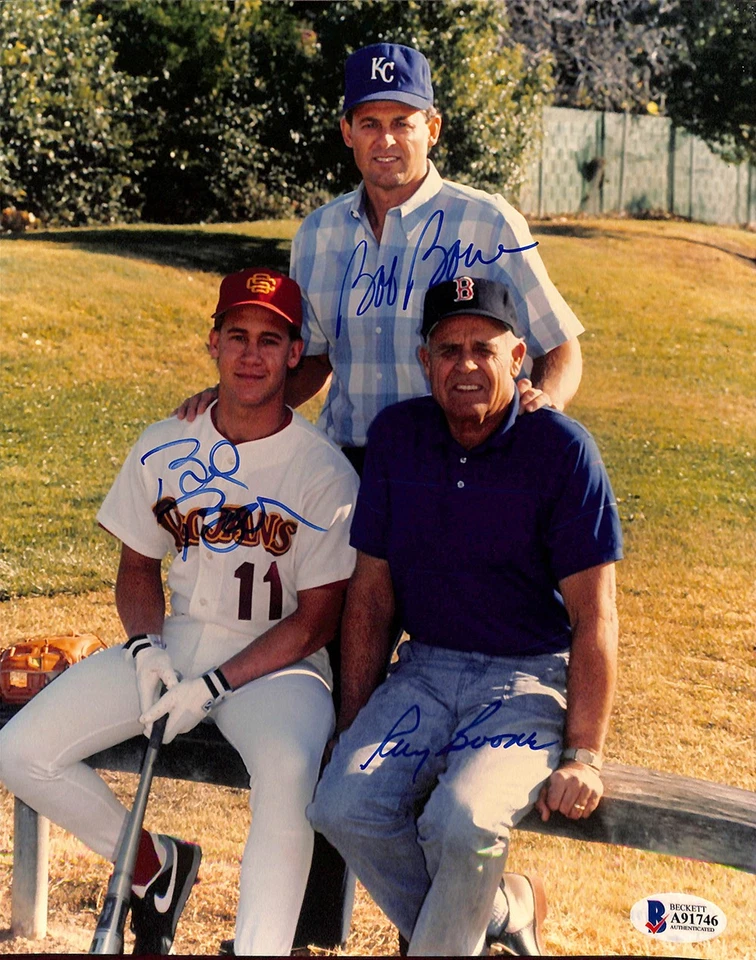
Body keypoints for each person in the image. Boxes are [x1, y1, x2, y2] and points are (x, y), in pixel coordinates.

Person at [174, 41, 587, 953]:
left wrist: (541, 414)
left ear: (432, 126)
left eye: (404, 121)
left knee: (442, 676)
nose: (387, 139)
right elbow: (312, 360)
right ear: (348, 132)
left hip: (457, 472)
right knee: (336, 694)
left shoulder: (484, 218)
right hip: (348, 476)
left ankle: (440, 926)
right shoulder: (320, 232)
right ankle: (320, 923)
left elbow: (557, 344)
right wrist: (240, 396)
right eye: (370, 122)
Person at [0, 268, 358, 956]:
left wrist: (217, 685)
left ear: (294, 354)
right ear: (213, 343)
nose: (251, 355)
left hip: (280, 663)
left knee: (288, 773)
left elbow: (317, 619)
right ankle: (153, 867)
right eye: (237, 336)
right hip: (179, 641)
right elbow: (137, 568)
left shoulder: (324, 469)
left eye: (270, 340)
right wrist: (145, 650)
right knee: (21, 751)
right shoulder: (164, 442)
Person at [307, 276, 623, 956]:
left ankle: (477, 921)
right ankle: (504, 909)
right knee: (341, 804)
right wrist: (353, 720)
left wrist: (584, 756)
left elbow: (595, 617)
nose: (467, 365)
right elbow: (371, 595)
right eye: (449, 350)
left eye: (485, 348)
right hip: (424, 673)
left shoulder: (563, 450)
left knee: (464, 821)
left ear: (519, 358)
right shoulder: (398, 437)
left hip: (525, 683)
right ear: (425, 361)